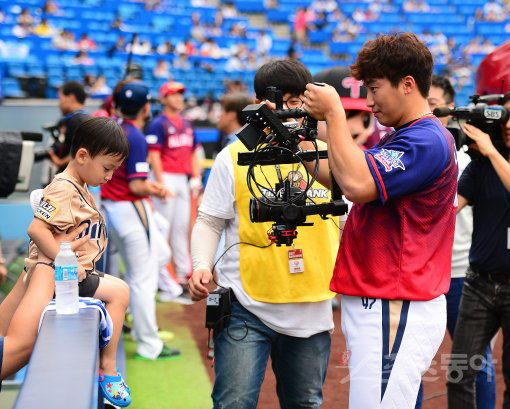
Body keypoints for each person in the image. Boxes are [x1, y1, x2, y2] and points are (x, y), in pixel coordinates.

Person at [304, 32, 458, 407]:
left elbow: (355, 184)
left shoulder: (426, 139)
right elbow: (344, 174)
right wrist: (295, 142)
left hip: (396, 300)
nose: (369, 102)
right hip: (385, 299)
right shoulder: (407, 135)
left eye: (374, 89)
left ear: (407, 84)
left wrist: (334, 113)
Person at [188, 58, 340, 408]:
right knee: (234, 403)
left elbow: (349, 216)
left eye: (300, 100)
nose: (293, 109)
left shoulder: (329, 155)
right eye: (285, 100)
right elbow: (210, 220)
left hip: (312, 308)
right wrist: (201, 265)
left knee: (305, 403)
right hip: (246, 305)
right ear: (263, 104)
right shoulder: (234, 156)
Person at [2, 117, 132, 407]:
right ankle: (108, 371)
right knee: (121, 292)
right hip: (58, 274)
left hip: (56, 272)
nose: (109, 176)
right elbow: (36, 229)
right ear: (83, 155)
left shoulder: (80, 185)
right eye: (107, 168)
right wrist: (65, 263)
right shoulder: (64, 186)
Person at [424, 75, 496, 409]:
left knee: (472, 363)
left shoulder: (473, 157)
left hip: (459, 276)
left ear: (451, 109)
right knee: (413, 361)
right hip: (420, 275)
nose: (426, 111)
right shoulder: (410, 150)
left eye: (433, 104)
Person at [100, 82, 180, 360]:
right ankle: (149, 343)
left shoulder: (112, 125)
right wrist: (156, 188)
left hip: (114, 206)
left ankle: (140, 323)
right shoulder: (133, 135)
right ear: (146, 106)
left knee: (160, 256)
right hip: (129, 207)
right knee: (142, 278)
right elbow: (136, 186)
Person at [447, 93, 510, 408]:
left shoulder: (489, 157)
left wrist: (489, 150)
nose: (509, 125)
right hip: (479, 285)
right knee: (459, 374)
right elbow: (448, 209)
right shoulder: (481, 164)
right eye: (505, 117)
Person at [146, 82, 202, 287]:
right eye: (174, 94)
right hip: (166, 176)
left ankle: (182, 274)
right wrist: (160, 183)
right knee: (163, 229)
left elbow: (194, 152)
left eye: (180, 94)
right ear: (163, 98)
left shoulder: (187, 123)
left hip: (183, 178)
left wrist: (196, 177)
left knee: (181, 228)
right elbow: (154, 155)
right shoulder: (157, 123)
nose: (179, 98)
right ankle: (159, 277)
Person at [49, 81, 89, 171]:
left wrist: (60, 162)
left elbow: (85, 149)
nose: (59, 103)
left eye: (60, 98)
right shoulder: (86, 118)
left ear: (71, 97)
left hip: (70, 177)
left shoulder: (76, 120)